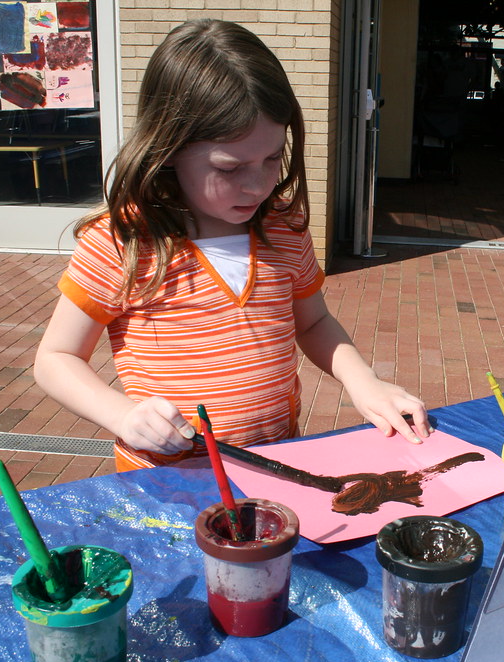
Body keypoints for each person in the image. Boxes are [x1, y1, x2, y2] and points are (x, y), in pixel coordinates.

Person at [34, 20, 432, 472]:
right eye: (229, 167)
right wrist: (121, 414)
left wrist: (364, 381)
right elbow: (55, 359)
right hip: (167, 480)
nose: (259, 184)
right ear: (167, 149)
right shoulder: (124, 240)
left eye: (271, 158)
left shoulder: (283, 226)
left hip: (276, 467)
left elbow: (314, 321)